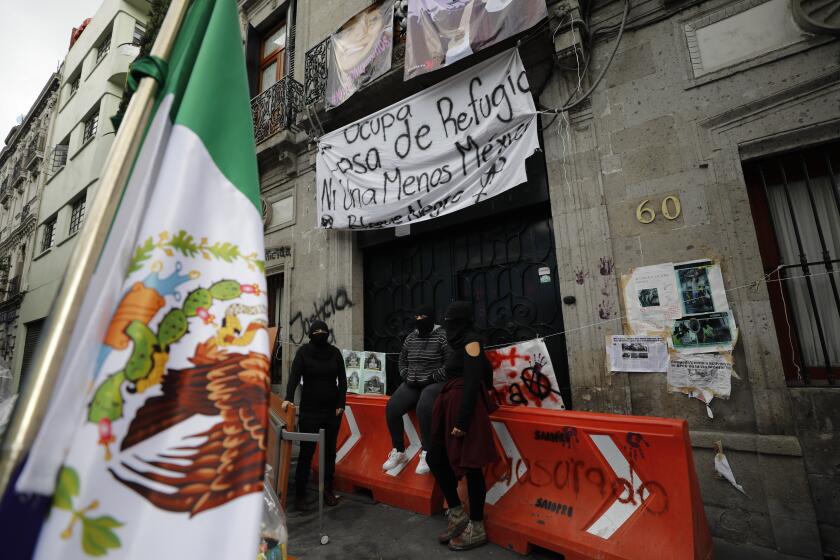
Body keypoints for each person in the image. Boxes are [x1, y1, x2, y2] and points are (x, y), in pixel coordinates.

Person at [427, 301, 498, 551]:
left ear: (462, 321)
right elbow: (486, 370)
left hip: (463, 409)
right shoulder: (462, 342)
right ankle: (458, 514)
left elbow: (472, 381)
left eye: (452, 321)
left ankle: (476, 526)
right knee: (435, 457)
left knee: (471, 465)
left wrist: (463, 420)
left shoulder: (471, 340)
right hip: (450, 404)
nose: (449, 326)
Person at [282, 321, 346, 512]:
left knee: (329, 452)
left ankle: (327, 490)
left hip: (331, 411)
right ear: (310, 334)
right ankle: (300, 493)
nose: (320, 334)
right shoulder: (303, 353)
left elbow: (342, 380)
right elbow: (294, 376)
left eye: (323, 331)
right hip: (309, 411)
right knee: (306, 452)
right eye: (316, 331)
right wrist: (288, 399)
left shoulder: (335, 353)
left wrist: (341, 404)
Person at [382, 305, 450, 475]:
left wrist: (433, 377)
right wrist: (406, 375)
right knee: (392, 407)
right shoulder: (411, 337)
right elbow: (402, 360)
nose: (419, 321)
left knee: (423, 408)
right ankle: (398, 451)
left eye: (423, 318)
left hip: (434, 382)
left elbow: (449, 363)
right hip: (412, 382)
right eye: (417, 317)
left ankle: (427, 451)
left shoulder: (442, 336)